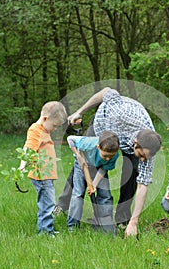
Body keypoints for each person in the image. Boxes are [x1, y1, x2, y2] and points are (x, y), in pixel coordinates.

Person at [57, 87, 161, 237]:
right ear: (135, 143)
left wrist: (135, 222)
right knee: (82, 165)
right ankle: (63, 204)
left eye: (146, 157)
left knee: (132, 172)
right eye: (142, 155)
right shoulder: (119, 112)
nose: (144, 160)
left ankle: (123, 219)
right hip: (101, 129)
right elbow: (108, 91)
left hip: (126, 137)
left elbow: (143, 185)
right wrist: (80, 112)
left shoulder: (150, 145)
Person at [19, 101, 67, 237]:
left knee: (45, 203)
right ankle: (46, 232)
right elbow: (28, 149)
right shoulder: (36, 130)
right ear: (45, 119)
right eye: (54, 125)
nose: (55, 129)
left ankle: (45, 229)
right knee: (48, 204)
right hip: (41, 175)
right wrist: (22, 165)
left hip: (46, 175)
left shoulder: (43, 129)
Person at [66, 131, 119, 233]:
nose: (108, 158)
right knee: (78, 194)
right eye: (105, 156)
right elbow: (70, 139)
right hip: (81, 165)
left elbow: (103, 169)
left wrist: (93, 184)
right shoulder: (87, 143)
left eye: (110, 156)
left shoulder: (114, 155)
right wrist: (78, 156)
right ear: (98, 147)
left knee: (105, 195)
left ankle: (105, 224)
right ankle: (72, 225)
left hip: (99, 168)